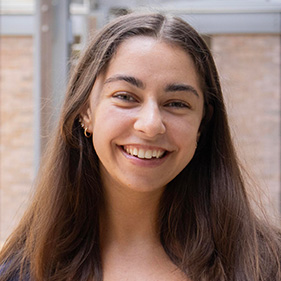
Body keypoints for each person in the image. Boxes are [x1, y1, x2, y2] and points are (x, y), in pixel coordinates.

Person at [0, 12, 280, 281]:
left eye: (177, 103)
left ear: (202, 124)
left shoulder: (267, 265)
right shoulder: (20, 271)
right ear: (86, 110)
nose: (150, 124)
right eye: (125, 96)